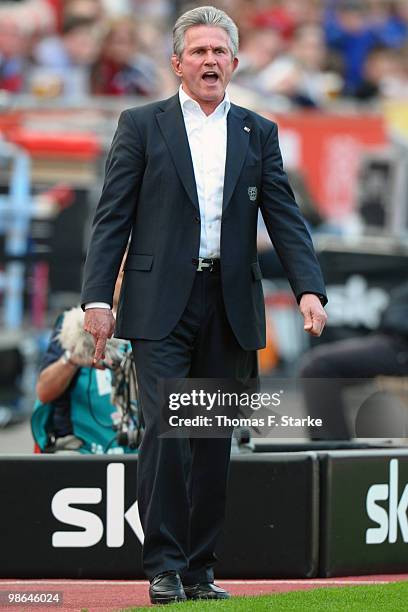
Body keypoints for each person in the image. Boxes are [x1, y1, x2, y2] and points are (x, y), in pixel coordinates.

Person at [81, 5, 328, 604]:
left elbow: (286, 219)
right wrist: (95, 298)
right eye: (198, 51)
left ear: (236, 63)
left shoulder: (257, 131)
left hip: (229, 302)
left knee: (213, 439)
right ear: (177, 63)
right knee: (167, 430)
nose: (210, 60)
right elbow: (112, 218)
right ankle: (162, 565)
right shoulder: (141, 124)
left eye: (219, 51)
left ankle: (199, 568)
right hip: (158, 301)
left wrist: (309, 289)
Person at [33, 261, 137, 454]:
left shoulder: (163, 330)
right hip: (82, 450)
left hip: (145, 449)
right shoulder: (73, 326)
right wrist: (71, 360)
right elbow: (43, 393)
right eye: (122, 274)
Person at [300, 281, 408, 440]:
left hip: (400, 343)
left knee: (320, 367)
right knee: (318, 366)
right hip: (391, 335)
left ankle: (335, 455)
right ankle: (332, 455)